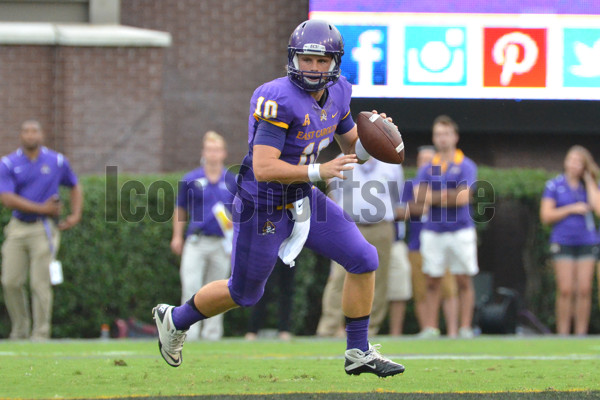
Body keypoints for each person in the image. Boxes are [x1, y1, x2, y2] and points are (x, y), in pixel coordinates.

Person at [152, 19, 404, 377]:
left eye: (321, 61)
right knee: (244, 293)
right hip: (263, 205)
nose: (313, 68)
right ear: (293, 59)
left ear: (335, 64)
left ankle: (358, 351)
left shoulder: (340, 92)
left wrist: (376, 138)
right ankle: (174, 318)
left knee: (364, 258)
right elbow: (265, 166)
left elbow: (351, 147)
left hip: (302, 196)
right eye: (306, 59)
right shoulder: (277, 98)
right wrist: (320, 172)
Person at [0, 120, 82, 340]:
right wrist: (42, 207)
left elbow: (74, 185)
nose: (30, 135)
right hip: (17, 227)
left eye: (34, 131)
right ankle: (20, 329)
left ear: (41, 135)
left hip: (44, 229)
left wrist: (75, 215)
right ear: (21, 136)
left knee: (40, 283)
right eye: (25, 131)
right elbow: (6, 198)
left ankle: (40, 333)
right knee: (10, 281)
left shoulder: (56, 161)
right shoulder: (8, 163)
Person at [316, 156, 404, 337]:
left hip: (381, 228)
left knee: (378, 280)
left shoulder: (391, 164)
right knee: (338, 276)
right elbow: (333, 194)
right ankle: (330, 328)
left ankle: (368, 331)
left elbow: (397, 198)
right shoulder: (343, 160)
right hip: (349, 225)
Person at [413, 115, 478, 339]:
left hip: (461, 228)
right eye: (438, 134)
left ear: (455, 136)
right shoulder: (427, 167)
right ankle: (431, 328)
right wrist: (449, 195)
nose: (442, 139)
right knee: (432, 279)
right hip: (433, 229)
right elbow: (419, 196)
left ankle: (465, 327)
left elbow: (463, 198)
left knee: (463, 279)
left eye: (446, 134)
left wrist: (435, 197)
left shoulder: (466, 165)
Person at [170, 131, 236, 341]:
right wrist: (177, 236)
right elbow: (180, 209)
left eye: (216, 149)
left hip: (222, 243)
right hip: (197, 241)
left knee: (220, 291)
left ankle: (213, 335)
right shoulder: (191, 179)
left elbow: (241, 212)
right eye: (209, 149)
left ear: (223, 153)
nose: (213, 154)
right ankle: (188, 334)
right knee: (191, 286)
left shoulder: (232, 180)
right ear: (203, 152)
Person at [540, 145, 600, 335]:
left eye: (579, 162)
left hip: (587, 241)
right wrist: (571, 209)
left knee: (584, 289)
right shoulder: (554, 185)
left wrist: (590, 180)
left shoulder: (589, 185)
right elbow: (546, 216)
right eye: (571, 160)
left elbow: (597, 209)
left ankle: (581, 334)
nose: (574, 165)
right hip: (563, 240)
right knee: (565, 289)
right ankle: (563, 334)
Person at [405, 146, 459, 338]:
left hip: (440, 240)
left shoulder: (444, 181)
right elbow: (406, 209)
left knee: (448, 288)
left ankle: (453, 331)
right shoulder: (410, 184)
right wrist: (432, 201)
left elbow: (455, 202)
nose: (427, 164)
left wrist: (430, 200)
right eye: (423, 160)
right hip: (417, 245)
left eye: (430, 160)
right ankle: (428, 329)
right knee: (421, 289)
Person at [245, 258, 295, 341]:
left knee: (287, 290)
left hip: (291, 253)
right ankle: (253, 330)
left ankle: (284, 329)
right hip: (271, 251)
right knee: (264, 289)